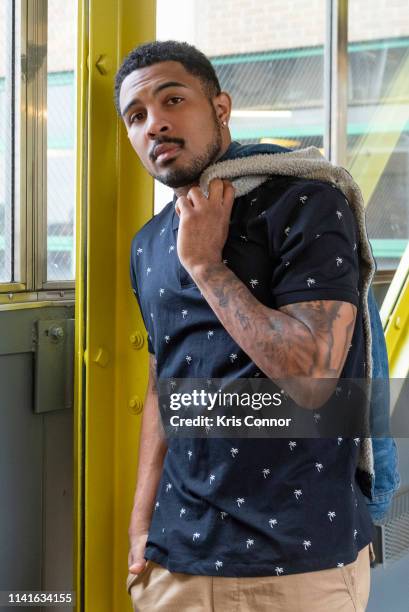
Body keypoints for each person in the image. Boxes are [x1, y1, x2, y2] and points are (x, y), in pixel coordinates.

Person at [115, 40, 375, 611]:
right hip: (175, 562)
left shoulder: (306, 200)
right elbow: (166, 386)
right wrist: (141, 524)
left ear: (221, 108)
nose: (154, 123)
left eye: (173, 99)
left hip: (299, 564)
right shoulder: (149, 244)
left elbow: (311, 379)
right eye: (136, 117)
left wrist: (206, 265)